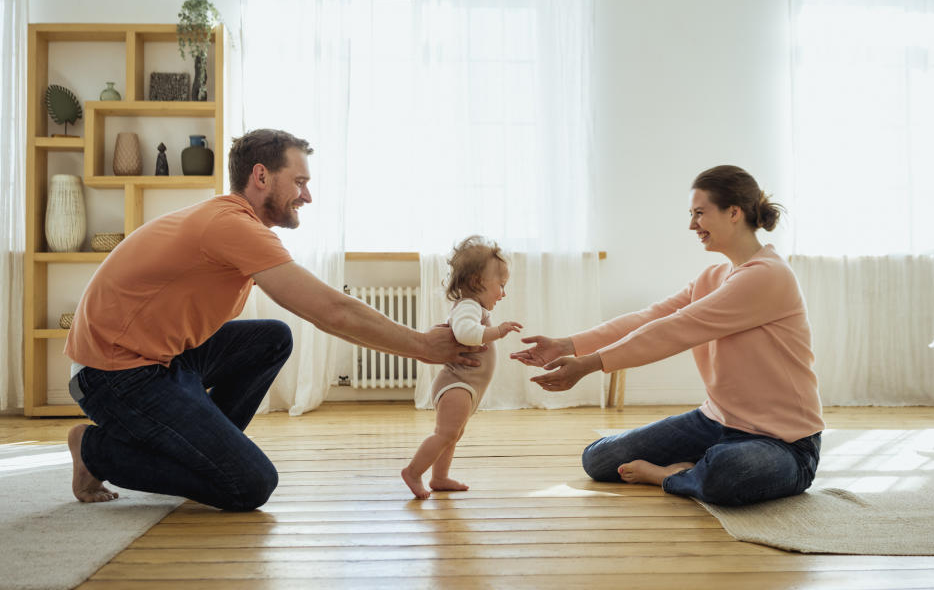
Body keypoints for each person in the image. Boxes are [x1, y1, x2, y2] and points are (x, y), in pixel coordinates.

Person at [64, 128, 481, 511]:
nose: (308, 196)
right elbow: (331, 310)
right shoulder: (231, 226)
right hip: (115, 375)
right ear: (260, 176)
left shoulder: (234, 224)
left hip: (163, 359)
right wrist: (424, 347)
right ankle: (93, 450)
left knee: (272, 338)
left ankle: (202, 451)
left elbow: (322, 309)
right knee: (249, 484)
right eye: (300, 182)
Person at [511, 165, 824, 506]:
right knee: (598, 459)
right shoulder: (714, 276)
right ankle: (695, 471)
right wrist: (568, 344)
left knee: (728, 471)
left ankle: (669, 475)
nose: (692, 225)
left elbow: (675, 330)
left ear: (733, 212)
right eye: (691, 214)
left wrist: (587, 365)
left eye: (700, 214)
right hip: (715, 421)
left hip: (784, 442)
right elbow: (650, 317)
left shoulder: (767, 276)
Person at [401, 236, 522, 499]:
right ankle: (413, 471)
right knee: (445, 433)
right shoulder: (468, 307)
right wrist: (497, 331)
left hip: (466, 386)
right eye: (501, 285)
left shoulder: (475, 307)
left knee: (452, 435)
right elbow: (466, 333)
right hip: (457, 384)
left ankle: (440, 477)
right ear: (478, 282)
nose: (503, 293)